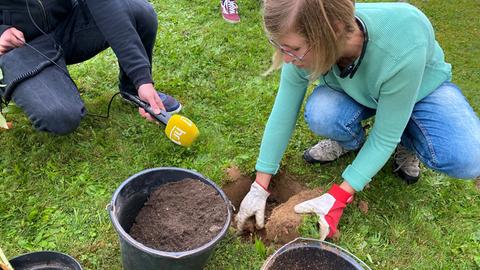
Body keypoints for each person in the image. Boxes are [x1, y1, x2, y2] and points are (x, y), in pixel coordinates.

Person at [236, 0, 480, 240]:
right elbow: (284, 110)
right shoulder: (303, 39)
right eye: (281, 47)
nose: (286, 58)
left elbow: (384, 137)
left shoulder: (402, 42)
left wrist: (338, 197)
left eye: (294, 49)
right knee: (323, 113)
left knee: (468, 158)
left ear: (333, 32)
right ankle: (350, 142)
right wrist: (260, 184)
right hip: (360, 90)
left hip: (419, 91)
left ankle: (409, 138)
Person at [0, 0, 181, 135]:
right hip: (21, 45)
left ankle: (132, 91)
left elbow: (106, 5)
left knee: (140, 13)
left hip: (67, 24)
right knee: (60, 117)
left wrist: (141, 79)